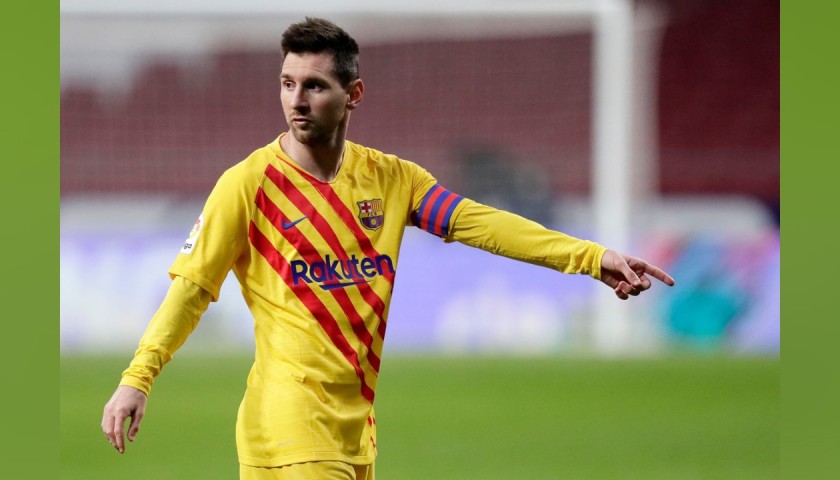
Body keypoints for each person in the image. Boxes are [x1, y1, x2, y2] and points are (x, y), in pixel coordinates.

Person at [101, 17, 675, 480]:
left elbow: (479, 223)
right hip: (291, 423)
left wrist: (590, 257)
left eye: (315, 86)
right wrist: (137, 379)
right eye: (287, 84)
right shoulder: (248, 185)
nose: (297, 100)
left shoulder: (391, 180)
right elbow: (193, 288)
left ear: (354, 95)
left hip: (355, 431)